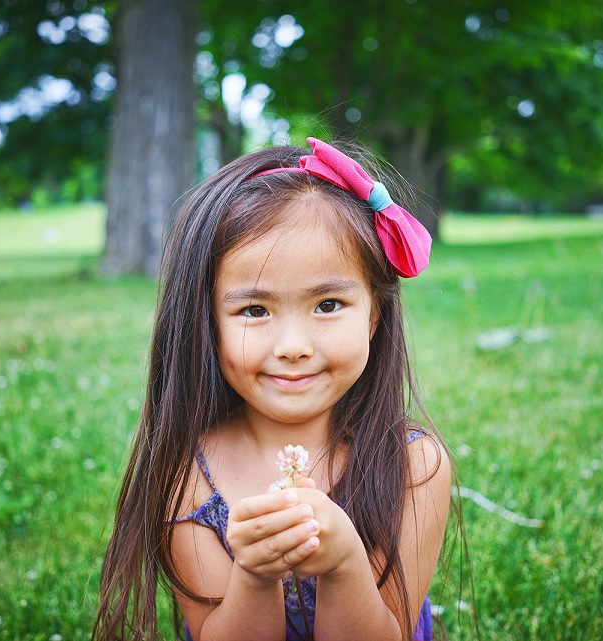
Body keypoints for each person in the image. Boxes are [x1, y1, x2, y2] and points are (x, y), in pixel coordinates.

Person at [94, 137, 456, 641]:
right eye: (254, 310)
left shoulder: (414, 465)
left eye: (328, 304)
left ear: (375, 312)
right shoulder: (189, 474)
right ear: (208, 322)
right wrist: (256, 575)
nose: (292, 346)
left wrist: (345, 562)